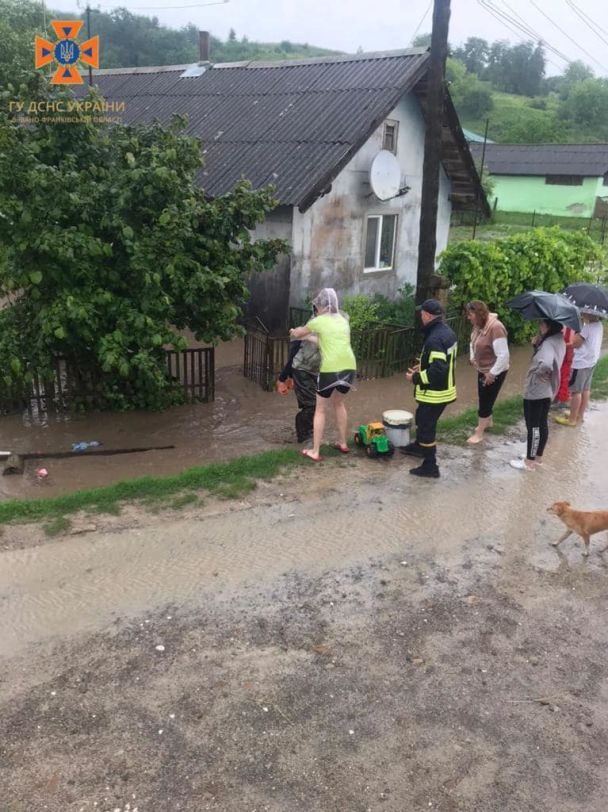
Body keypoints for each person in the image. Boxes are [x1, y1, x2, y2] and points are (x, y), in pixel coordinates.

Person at [289, 288, 356, 462]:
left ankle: (315, 451)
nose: (316, 309)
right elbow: (326, 342)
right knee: (339, 404)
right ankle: (343, 443)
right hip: (349, 367)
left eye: (317, 306)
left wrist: (295, 331)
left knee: (320, 410)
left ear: (322, 306)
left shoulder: (318, 321)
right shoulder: (343, 320)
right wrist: (309, 338)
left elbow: (299, 333)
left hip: (330, 368)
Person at [402, 298, 457, 479]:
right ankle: (419, 447)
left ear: (427, 315)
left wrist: (415, 378)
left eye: (421, 313)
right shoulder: (447, 332)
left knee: (426, 426)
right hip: (444, 389)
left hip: (435, 393)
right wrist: (423, 366)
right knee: (422, 418)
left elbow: (438, 371)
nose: (420, 316)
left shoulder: (434, 338)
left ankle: (430, 466)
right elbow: (441, 363)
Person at [510, 319, 565, 471]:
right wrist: (536, 345)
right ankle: (537, 457)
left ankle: (529, 462)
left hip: (537, 389)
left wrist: (536, 372)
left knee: (533, 425)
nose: (539, 326)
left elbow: (546, 364)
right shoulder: (558, 339)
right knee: (541, 423)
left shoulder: (548, 343)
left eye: (542, 324)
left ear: (549, 326)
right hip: (547, 389)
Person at [465, 300, 510, 444]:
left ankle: (479, 433)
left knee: (485, 400)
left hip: (495, 370)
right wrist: (472, 357)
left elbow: (504, 355)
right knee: (484, 396)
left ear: (478, 314)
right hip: (483, 368)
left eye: (470, 314)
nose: (468, 317)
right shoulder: (478, 325)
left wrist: (492, 374)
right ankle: (488, 422)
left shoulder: (496, 328)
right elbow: (473, 341)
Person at [554, 314, 604, 427]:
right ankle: (579, 415)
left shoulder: (587, 328)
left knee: (576, 391)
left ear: (591, 313)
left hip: (581, 363)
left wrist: (561, 345)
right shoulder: (599, 325)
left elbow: (575, 344)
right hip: (591, 361)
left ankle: (572, 419)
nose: (582, 313)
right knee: (586, 389)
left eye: (585, 312)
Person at [277, 325, 321, 444]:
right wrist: (283, 379)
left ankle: (309, 430)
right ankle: (304, 436)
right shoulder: (307, 329)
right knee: (311, 404)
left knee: (318, 404)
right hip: (301, 370)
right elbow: (294, 356)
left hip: (315, 371)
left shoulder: (330, 328)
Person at [553, 326, 575, 409]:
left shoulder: (571, 328)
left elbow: (571, 343)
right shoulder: (564, 325)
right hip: (561, 354)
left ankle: (562, 400)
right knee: (558, 376)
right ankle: (557, 397)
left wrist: (561, 345)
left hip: (567, 355)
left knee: (564, 377)